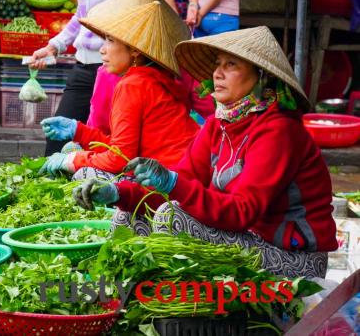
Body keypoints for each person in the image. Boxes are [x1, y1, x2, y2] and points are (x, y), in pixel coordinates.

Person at [73, 26, 337, 278]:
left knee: (172, 216)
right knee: (129, 214)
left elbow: (241, 212)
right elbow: (185, 177)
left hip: (294, 256)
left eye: (231, 65)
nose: (218, 74)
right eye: (218, 64)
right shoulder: (218, 124)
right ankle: (132, 296)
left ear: (262, 76)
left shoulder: (279, 130)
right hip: (247, 237)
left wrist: (174, 184)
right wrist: (121, 193)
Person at [39, 0, 199, 181]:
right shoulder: (150, 77)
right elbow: (121, 147)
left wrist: (72, 161)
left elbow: (119, 159)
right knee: (74, 149)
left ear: (135, 51)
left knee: (82, 172)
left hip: (166, 181)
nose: (103, 50)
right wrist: (78, 130)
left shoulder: (132, 85)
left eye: (110, 40)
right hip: (183, 173)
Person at [31, 0, 150, 156]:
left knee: (104, 140)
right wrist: (54, 46)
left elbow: (138, 16)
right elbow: (81, 16)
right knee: (57, 136)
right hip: (83, 67)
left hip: (114, 69)